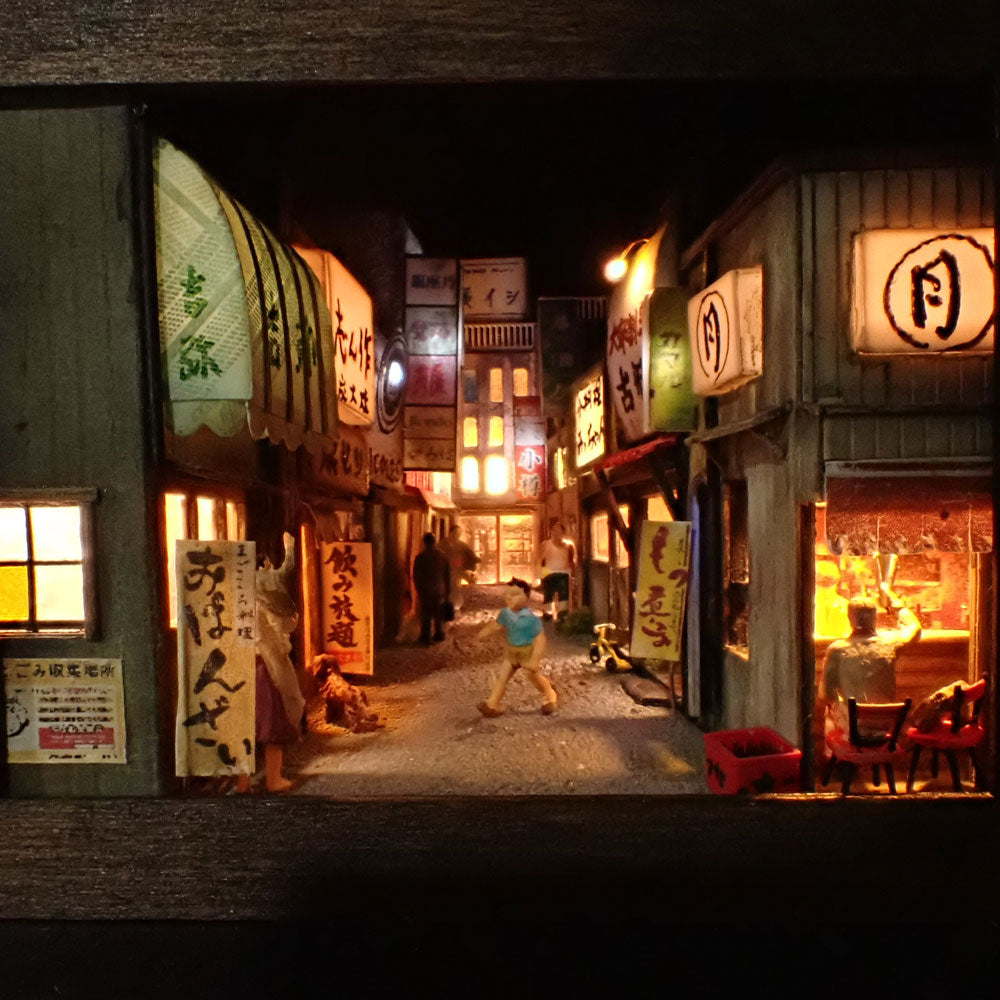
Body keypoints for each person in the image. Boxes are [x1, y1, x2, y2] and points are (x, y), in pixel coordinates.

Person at [242, 531, 305, 793]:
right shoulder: (267, 587)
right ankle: (273, 778)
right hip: (266, 667)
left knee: (240, 726)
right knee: (273, 724)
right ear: (264, 564)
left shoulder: (237, 591)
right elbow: (283, 626)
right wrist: (289, 546)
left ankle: (241, 782)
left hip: (239, 666)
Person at [821, 583, 922, 737]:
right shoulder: (891, 642)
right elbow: (915, 628)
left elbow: (826, 695)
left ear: (849, 618)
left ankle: (836, 750)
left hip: (855, 729)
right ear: (875, 617)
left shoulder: (837, 649)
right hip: (887, 726)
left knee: (828, 711)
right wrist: (897, 605)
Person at [477, 578, 557, 717]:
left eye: (515, 594)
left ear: (526, 596)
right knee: (502, 678)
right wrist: (484, 632)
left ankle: (550, 696)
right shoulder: (505, 614)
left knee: (535, 678)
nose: (509, 597)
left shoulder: (531, 619)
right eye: (508, 594)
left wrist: (535, 660)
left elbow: (540, 640)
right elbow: (496, 624)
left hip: (527, 653)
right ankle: (492, 704)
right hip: (511, 652)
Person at [413, 531, 451, 644]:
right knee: (438, 613)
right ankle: (439, 634)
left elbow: (417, 576)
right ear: (435, 542)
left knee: (426, 614)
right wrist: (448, 591)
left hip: (426, 590)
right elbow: (447, 575)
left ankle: (425, 636)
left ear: (424, 542)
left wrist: (419, 589)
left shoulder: (420, 557)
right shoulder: (443, 556)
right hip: (440, 589)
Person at [536, 521, 576, 621]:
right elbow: (540, 560)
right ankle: (548, 614)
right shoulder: (545, 545)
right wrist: (541, 576)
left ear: (563, 532)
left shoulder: (569, 545)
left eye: (559, 530)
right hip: (549, 573)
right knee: (549, 596)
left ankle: (562, 615)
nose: (556, 532)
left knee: (563, 596)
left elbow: (572, 561)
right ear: (551, 531)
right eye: (554, 530)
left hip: (564, 574)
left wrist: (572, 574)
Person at [438, 524, 480, 611]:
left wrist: (475, 560)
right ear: (450, 533)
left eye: (459, 533)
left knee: (456, 588)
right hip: (444, 571)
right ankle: (446, 607)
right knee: (445, 589)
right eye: (455, 533)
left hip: (457, 570)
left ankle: (456, 606)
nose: (457, 535)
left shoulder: (462, 545)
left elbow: (470, 554)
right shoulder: (442, 545)